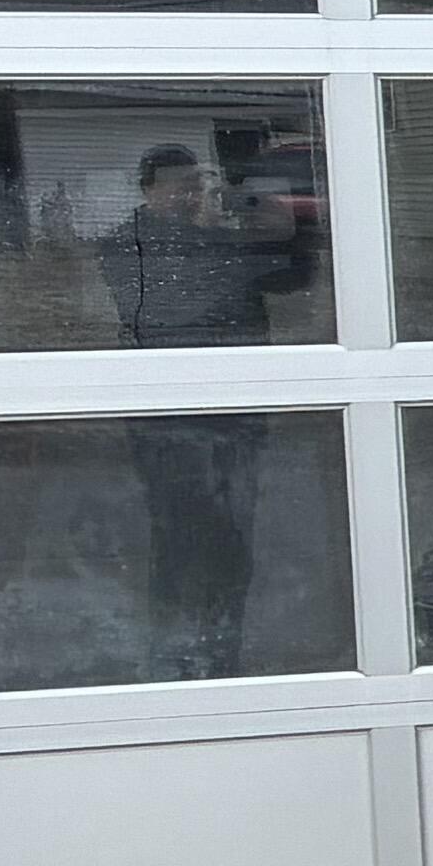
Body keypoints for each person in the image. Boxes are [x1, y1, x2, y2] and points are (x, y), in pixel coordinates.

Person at [98, 144, 315, 676]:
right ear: (148, 188)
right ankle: (172, 654)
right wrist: (220, 230)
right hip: (167, 421)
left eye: (196, 185)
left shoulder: (218, 237)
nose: (190, 195)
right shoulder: (125, 244)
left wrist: (286, 223)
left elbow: (292, 277)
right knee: (177, 536)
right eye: (179, 185)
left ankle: (221, 652)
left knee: (232, 537)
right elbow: (173, 308)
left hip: (235, 418)